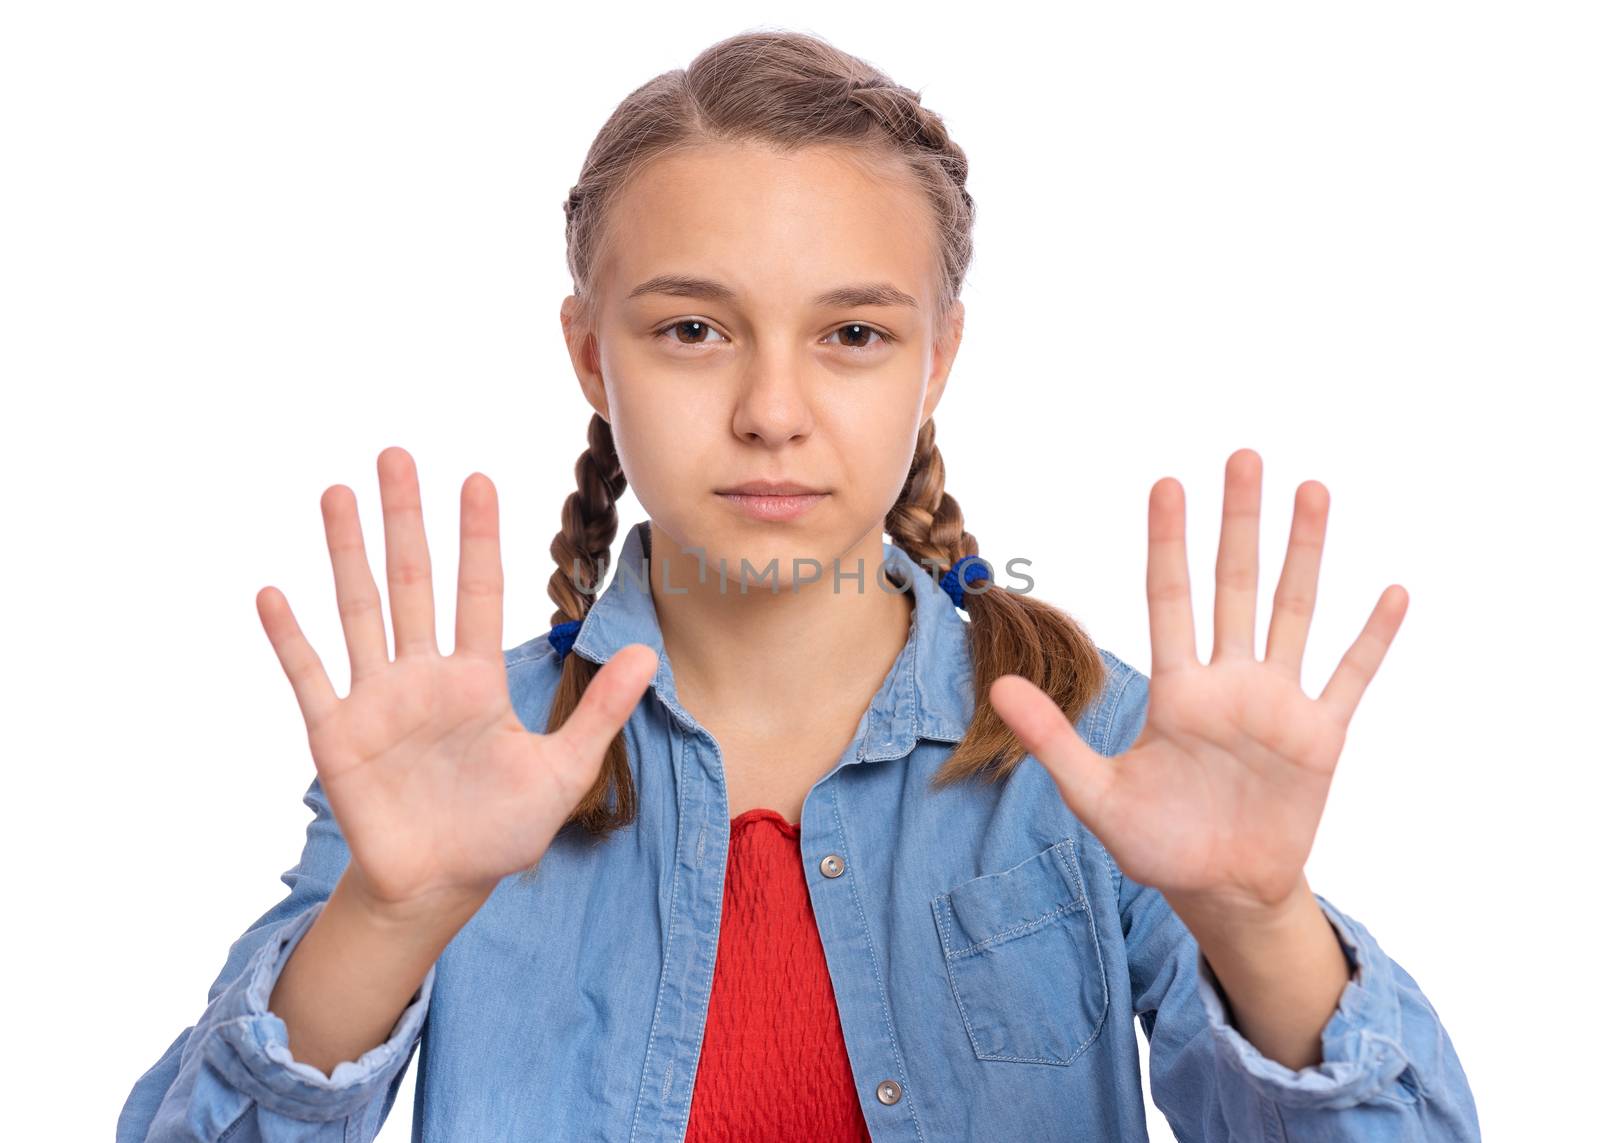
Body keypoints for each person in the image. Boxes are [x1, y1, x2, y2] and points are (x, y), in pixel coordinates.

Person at [118, 28, 1479, 1143]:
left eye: (852, 334)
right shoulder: (456, 758)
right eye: (693, 329)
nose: (773, 409)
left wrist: (1259, 926)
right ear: (593, 357)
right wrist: (388, 919)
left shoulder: (1098, 750)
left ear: (937, 358)